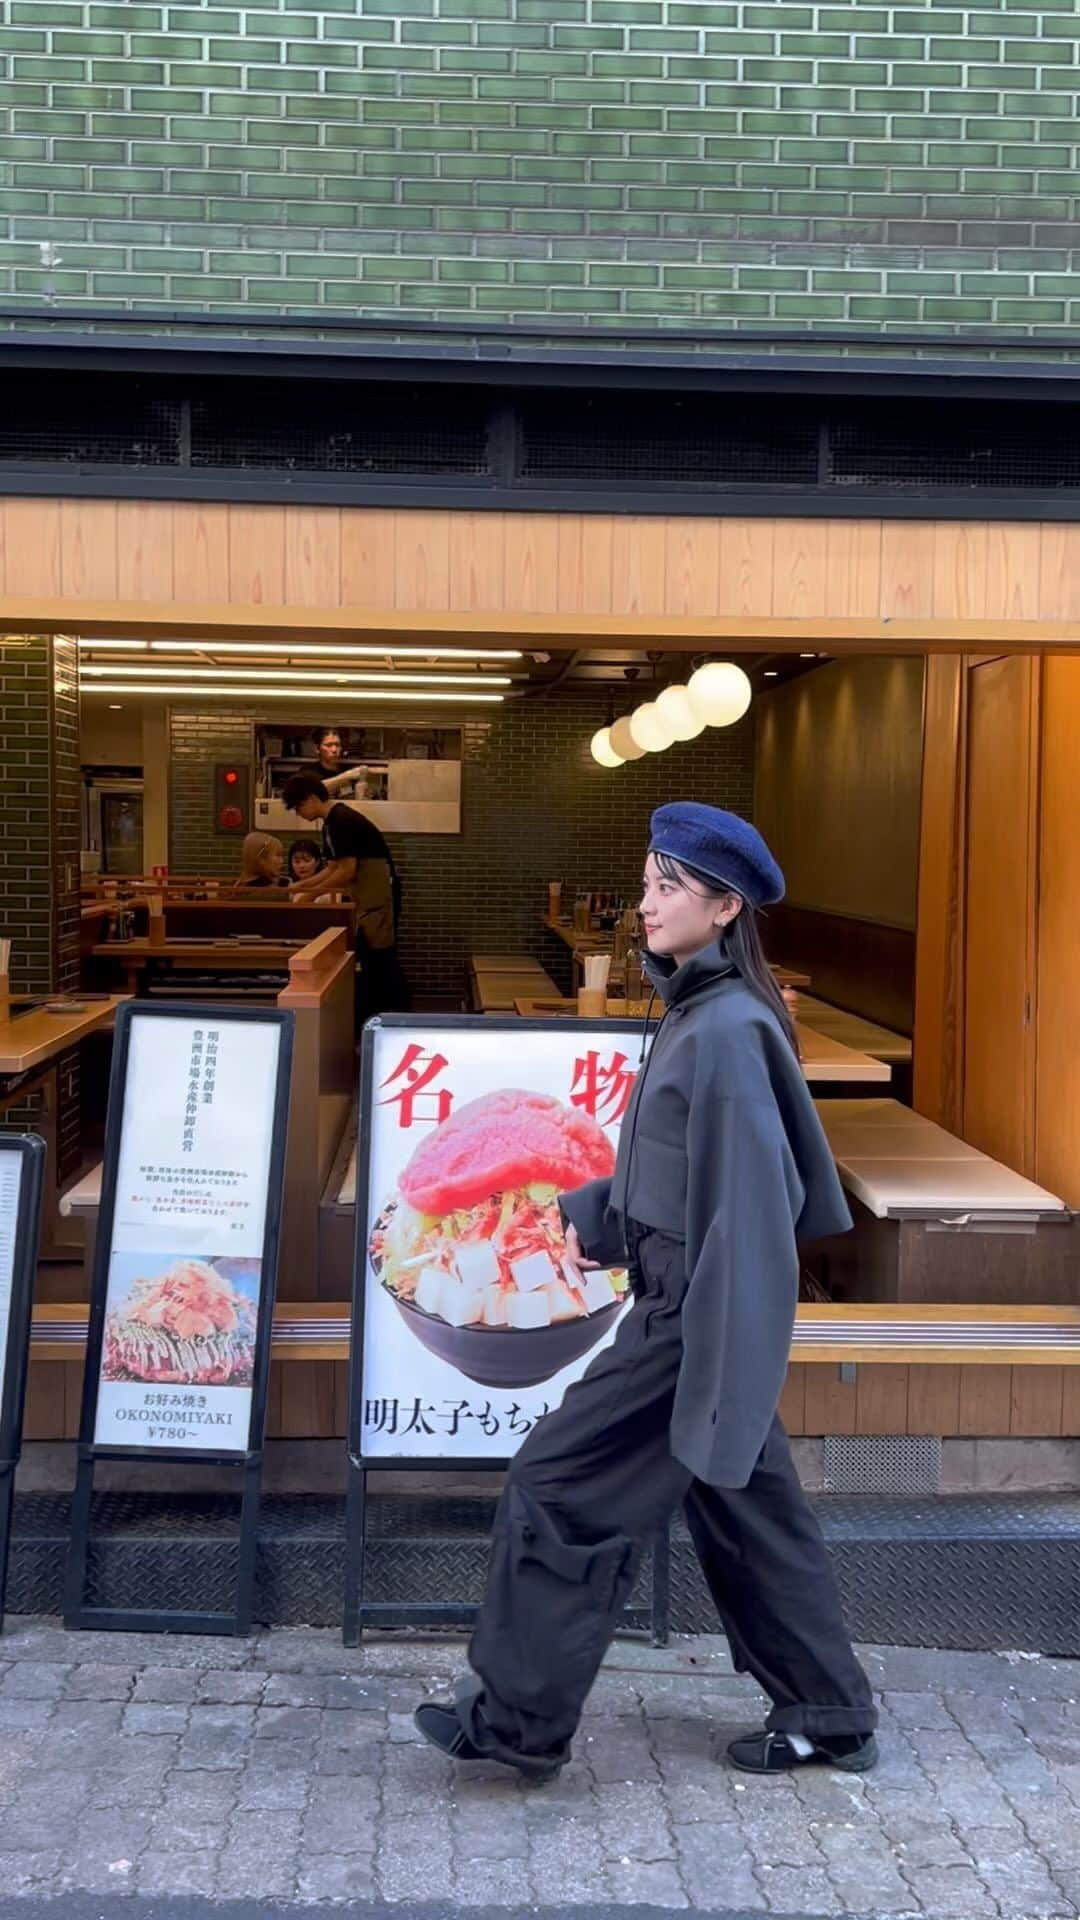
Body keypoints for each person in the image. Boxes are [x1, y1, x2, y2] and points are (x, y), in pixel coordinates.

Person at [414, 802, 878, 1783]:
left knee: (556, 1480)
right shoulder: (705, 1015)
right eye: (648, 882)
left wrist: (719, 1354)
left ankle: (516, 1721)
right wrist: (597, 1216)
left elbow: (748, 1220)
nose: (645, 904)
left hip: (692, 1321)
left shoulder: (723, 1032)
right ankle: (829, 1711)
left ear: (724, 906)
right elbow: (679, 1170)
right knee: (749, 1512)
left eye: (668, 887)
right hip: (691, 1306)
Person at [281, 772, 409, 1023]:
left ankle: (398, 1019)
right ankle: (382, 1019)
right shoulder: (331, 822)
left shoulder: (342, 820)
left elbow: (346, 870)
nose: (299, 814)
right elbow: (332, 868)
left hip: (377, 897)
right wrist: (302, 887)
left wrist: (308, 895)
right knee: (374, 959)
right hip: (367, 899)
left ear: (311, 799)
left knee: (381, 959)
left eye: (298, 807)